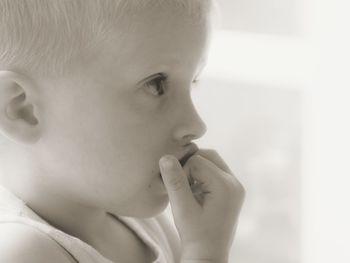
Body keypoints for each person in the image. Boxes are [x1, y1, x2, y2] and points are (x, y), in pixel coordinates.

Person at [0, 0, 245, 262]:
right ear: (23, 110)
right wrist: (206, 253)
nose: (196, 125)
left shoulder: (145, 225)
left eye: (193, 81)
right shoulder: (21, 251)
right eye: (156, 85)